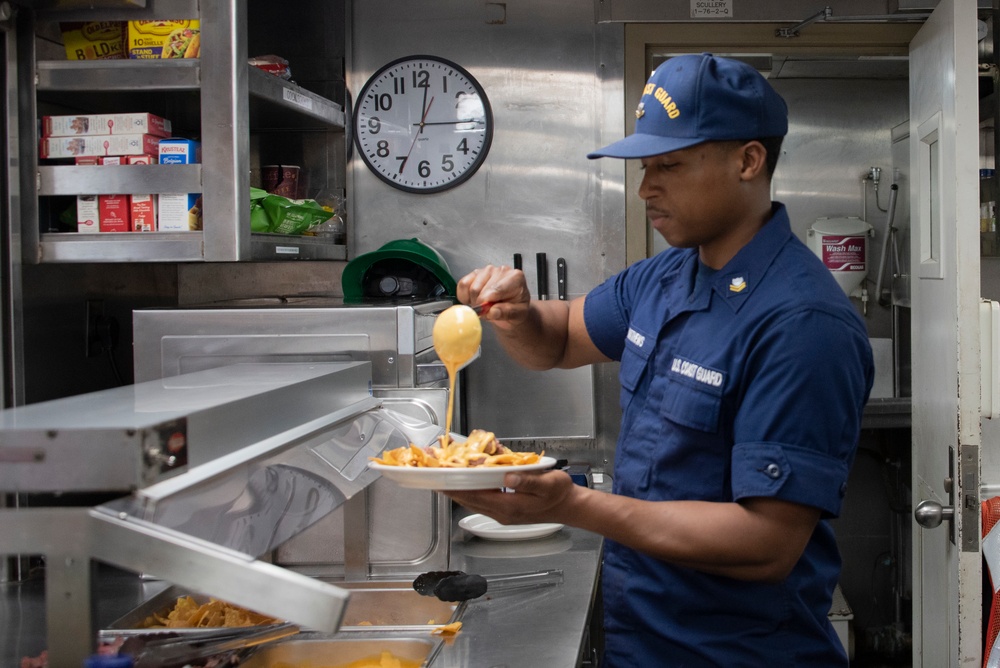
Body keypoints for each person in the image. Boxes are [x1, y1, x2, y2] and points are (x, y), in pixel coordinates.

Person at [446, 53, 875, 666]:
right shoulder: (667, 276)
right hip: (642, 636)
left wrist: (572, 505)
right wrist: (519, 314)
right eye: (644, 167)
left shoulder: (803, 325)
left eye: (669, 166)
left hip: (734, 651)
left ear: (748, 161)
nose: (646, 187)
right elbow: (561, 338)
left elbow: (768, 542)